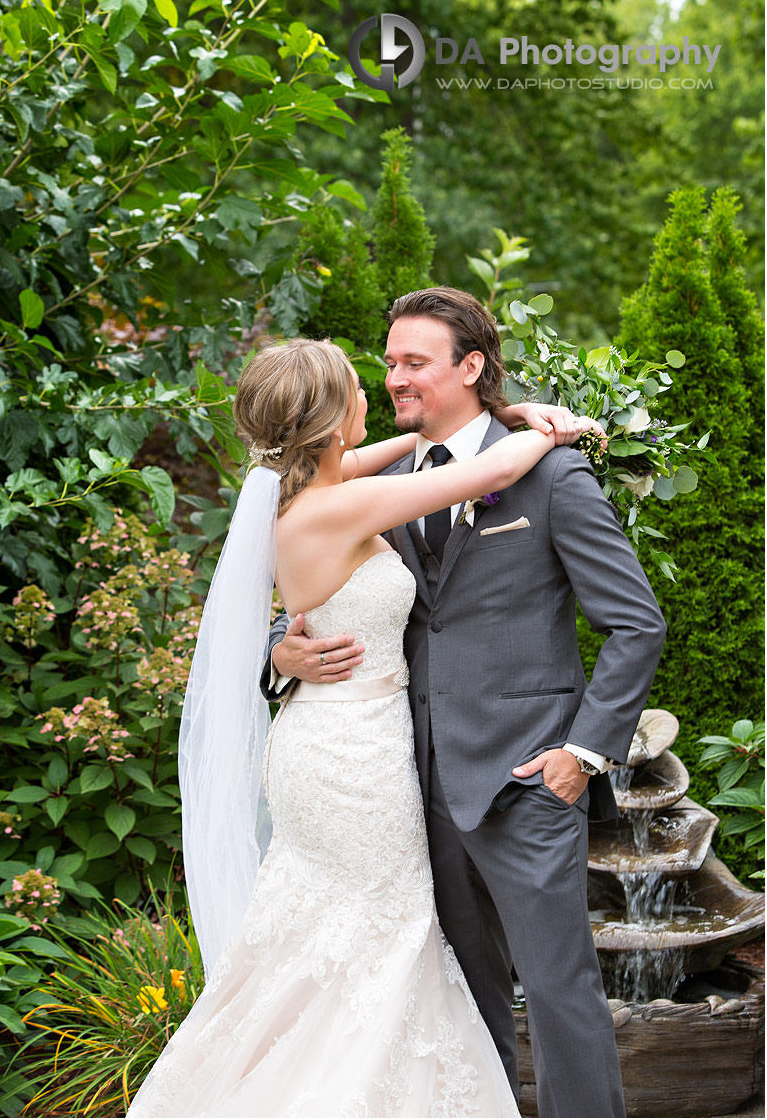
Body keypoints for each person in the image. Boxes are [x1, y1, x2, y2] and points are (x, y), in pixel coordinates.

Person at [128, 336, 600, 1119]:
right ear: (328, 418)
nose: (376, 389)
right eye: (359, 383)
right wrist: (547, 430)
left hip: (333, 741)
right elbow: (486, 471)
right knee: (383, 936)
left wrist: (503, 412)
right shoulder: (343, 501)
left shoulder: (310, 486)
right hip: (354, 761)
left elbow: (422, 443)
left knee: (331, 936)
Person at [267, 290, 667, 1119]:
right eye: (386, 363)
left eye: (413, 362)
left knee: (558, 993)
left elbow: (634, 624)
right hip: (404, 783)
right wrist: (281, 651)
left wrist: (583, 752)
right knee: (454, 997)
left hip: (528, 776)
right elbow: (317, 587)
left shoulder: (553, 474)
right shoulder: (385, 476)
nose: (393, 378)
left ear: (470, 366)